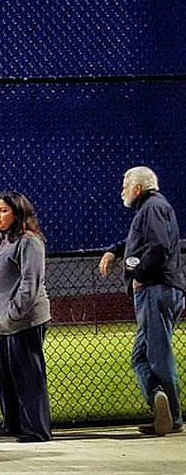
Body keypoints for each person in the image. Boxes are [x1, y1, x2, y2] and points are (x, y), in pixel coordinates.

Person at [98, 166, 185, 436]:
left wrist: (138, 274)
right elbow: (141, 241)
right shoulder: (152, 209)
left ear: (138, 187)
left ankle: (172, 414)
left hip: (154, 289)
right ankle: (160, 404)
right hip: (159, 289)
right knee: (140, 356)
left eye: (125, 184)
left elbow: (159, 247)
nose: (121, 190)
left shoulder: (152, 208)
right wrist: (115, 250)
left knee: (157, 356)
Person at [0, 192, 52, 442]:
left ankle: (37, 429)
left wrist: (13, 313)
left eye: (4, 210)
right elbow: (3, 283)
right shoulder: (5, 243)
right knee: (5, 377)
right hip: (3, 323)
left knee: (28, 376)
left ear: (18, 213)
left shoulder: (29, 242)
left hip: (24, 321)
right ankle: (13, 423)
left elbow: (30, 283)